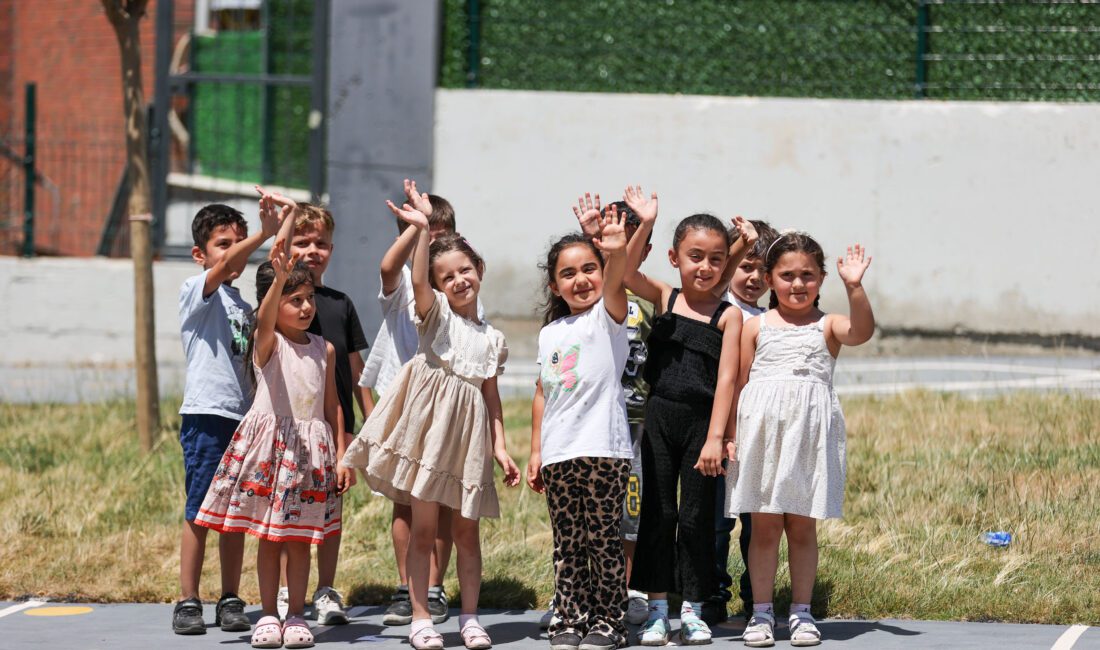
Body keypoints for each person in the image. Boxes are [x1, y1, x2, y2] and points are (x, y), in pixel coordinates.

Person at [342, 198, 521, 650]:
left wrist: (500, 447)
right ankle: (421, 616)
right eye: (448, 277)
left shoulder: (493, 339)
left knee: (466, 532)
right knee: (423, 530)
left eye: (465, 270)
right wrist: (421, 230)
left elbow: (491, 397)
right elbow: (415, 277)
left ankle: (470, 618)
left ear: (478, 267)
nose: (459, 280)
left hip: (469, 442)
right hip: (429, 437)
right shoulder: (434, 314)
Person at [193, 198, 356, 649]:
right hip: (273, 452)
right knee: (269, 537)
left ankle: (297, 615)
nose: (304, 308)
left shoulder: (322, 349)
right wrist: (278, 277)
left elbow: (332, 408)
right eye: (293, 300)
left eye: (307, 300)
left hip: (312, 455)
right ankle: (268, 614)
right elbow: (265, 320)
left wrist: (343, 455)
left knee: (301, 540)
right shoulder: (268, 345)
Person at [726, 233, 874, 648]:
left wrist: (855, 286)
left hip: (808, 438)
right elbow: (738, 383)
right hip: (763, 437)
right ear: (770, 280)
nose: (797, 284)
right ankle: (760, 613)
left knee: (803, 527)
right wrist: (730, 435)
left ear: (822, 279)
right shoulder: (755, 326)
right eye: (787, 275)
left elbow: (861, 331)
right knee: (765, 528)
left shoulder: (827, 325)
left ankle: (802, 612)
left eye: (807, 275)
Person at [621, 186, 751, 646]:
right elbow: (622, 272)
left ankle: (692, 608)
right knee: (658, 513)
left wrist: (717, 437)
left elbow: (728, 382)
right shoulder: (665, 296)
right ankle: (658, 608)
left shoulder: (728, 316)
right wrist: (648, 223)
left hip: (702, 425)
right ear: (675, 258)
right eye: (695, 256)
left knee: (696, 518)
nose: (706, 267)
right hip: (659, 418)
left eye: (717, 259)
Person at [359, 180, 468, 626]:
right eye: (423, 232)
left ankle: (436, 587)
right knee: (404, 502)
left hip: (445, 405)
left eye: (439, 233)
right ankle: (408, 586)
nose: (431, 240)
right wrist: (415, 229)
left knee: (439, 501)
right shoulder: (403, 283)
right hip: (405, 406)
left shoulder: (458, 285)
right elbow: (388, 266)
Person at [173, 201, 282, 636]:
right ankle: (187, 600)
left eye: (238, 242)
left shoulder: (240, 302)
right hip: (207, 416)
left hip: (244, 419)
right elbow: (227, 267)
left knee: (234, 514)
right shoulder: (197, 290)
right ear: (200, 254)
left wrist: (280, 227)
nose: (233, 251)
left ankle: (230, 597)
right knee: (200, 512)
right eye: (223, 244)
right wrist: (261, 235)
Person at [526, 205, 633, 650]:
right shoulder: (551, 332)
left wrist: (610, 247)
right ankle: (570, 618)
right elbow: (542, 393)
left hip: (603, 451)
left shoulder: (607, 318)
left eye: (589, 269)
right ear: (554, 284)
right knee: (567, 543)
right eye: (568, 273)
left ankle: (610, 622)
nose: (581, 279)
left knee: (604, 540)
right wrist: (536, 451)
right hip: (559, 454)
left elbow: (615, 278)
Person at [270, 201, 371, 625]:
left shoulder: (340, 304)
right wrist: (282, 225)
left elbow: (355, 369)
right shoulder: (275, 305)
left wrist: (370, 425)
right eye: (302, 241)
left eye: (321, 243)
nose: (312, 250)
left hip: (331, 430)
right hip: (285, 431)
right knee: (282, 515)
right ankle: (279, 592)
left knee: (330, 513)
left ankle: (325, 590)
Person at [568, 193, 656, 627]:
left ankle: (627, 588)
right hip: (587, 426)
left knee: (628, 515)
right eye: (605, 237)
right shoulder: (589, 298)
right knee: (586, 516)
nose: (615, 243)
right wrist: (593, 241)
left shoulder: (650, 300)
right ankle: (582, 590)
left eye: (632, 237)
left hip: (635, 428)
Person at [705, 220, 779, 626]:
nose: (754, 278)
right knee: (716, 523)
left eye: (763, 271)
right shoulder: (717, 307)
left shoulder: (772, 317)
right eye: (746, 266)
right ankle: (713, 596)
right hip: (718, 432)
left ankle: (756, 599)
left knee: (757, 523)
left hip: (758, 434)